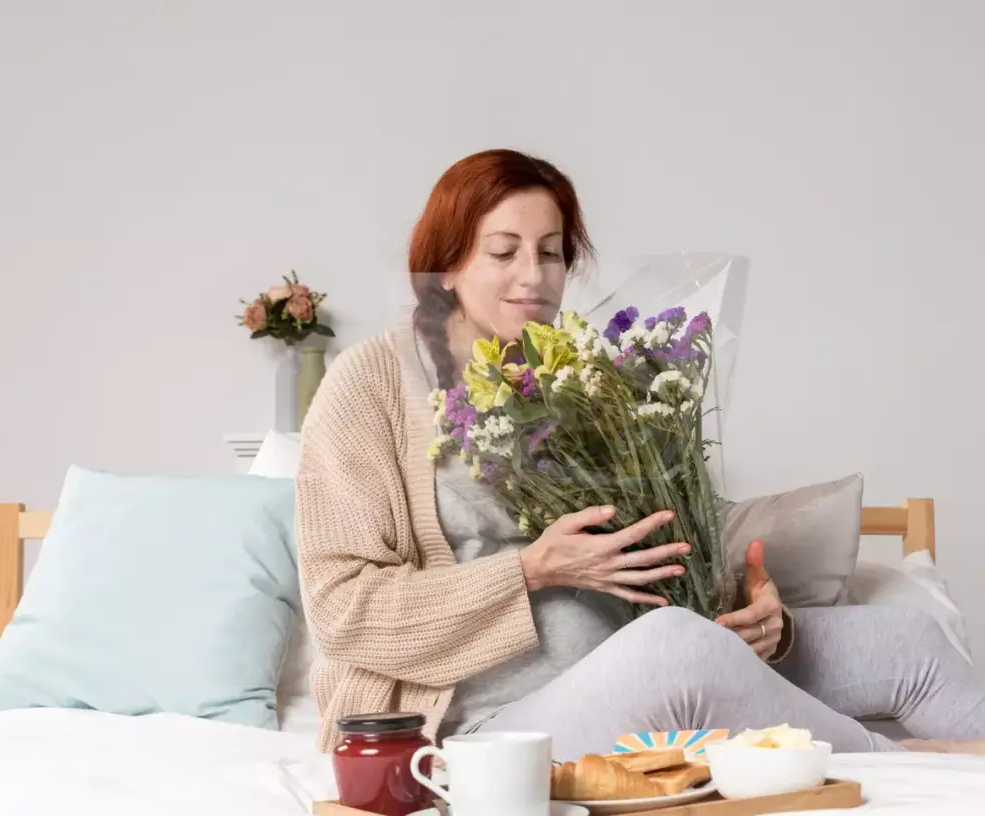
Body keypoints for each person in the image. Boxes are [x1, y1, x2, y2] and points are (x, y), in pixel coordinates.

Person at [295, 148, 985, 760]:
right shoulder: (370, 388)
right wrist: (530, 571)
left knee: (908, 640)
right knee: (676, 654)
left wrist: (751, 609)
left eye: (552, 251)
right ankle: (913, 767)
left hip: (651, 657)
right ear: (445, 266)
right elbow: (342, 609)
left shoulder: (588, 377)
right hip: (482, 726)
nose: (532, 276)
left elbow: (661, 542)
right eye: (503, 252)